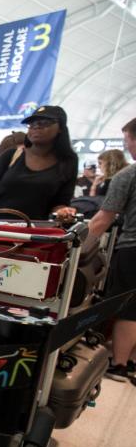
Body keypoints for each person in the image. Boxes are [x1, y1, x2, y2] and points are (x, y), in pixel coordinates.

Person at [84, 117, 136, 384]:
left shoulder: (127, 176)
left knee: (127, 309)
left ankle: (120, 364)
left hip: (132, 249)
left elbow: (103, 219)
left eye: (127, 139)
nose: (127, 146)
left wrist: (80, 248)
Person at [0, 106, 78, 222]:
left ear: (60, 128)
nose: (36, 126)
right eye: (32, 124)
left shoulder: (68, 162)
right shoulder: (11, 155)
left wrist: (63, 211)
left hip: (33, 233)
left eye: (44, 123)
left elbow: (61, 201)